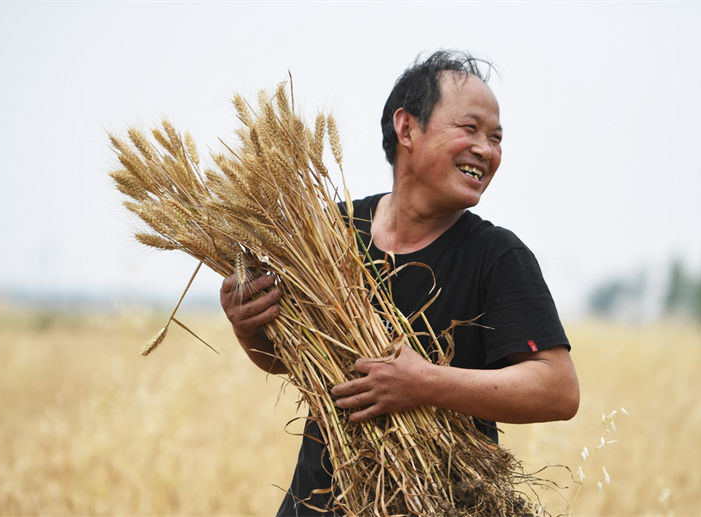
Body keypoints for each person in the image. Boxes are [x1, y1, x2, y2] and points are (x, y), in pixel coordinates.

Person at [220, 50, 580, 517]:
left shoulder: (497, 257)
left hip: (440, 504)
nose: (486, 151)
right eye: (469, 129)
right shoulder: (328, 237)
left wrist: (424, 383)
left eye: (495, 138)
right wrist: (249, 329)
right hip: (318, 504)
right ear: (406, 128)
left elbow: (558, 389)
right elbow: (292, 362)